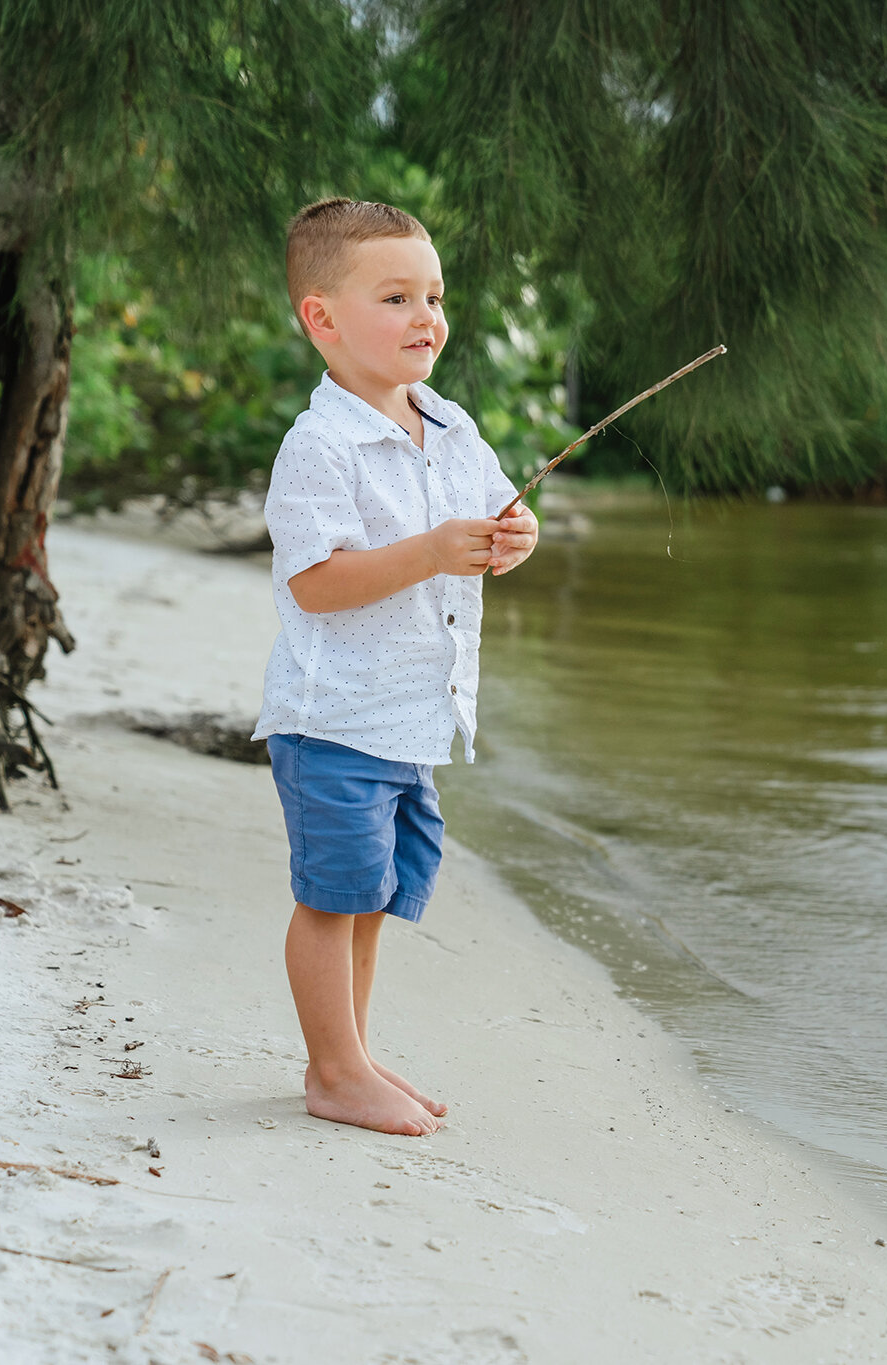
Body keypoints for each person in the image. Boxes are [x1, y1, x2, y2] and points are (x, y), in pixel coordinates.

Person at [252, 198, 539, 1136]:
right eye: (397, 296)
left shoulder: (450, 425)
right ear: (323, 319)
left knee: (371, 894)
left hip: (413, 716)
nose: (428, 317)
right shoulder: (320, 446)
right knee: (331, 899)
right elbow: (316, 585)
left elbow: (489, 515)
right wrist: (431, 551)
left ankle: (355, 1053)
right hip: (334, 715)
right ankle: (333, 1071)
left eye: (435, 295)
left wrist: (511, 537)